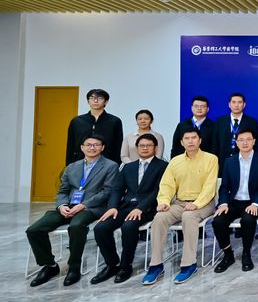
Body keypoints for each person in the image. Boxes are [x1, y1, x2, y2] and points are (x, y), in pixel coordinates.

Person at [27, 133, 118, 287]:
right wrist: (61, 205)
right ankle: (50, 265)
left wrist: (83, 205)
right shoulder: (71, 167)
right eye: (88, 144)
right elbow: (62, 191)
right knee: (34, 230)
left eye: (96, 144)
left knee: (76, 226)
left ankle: (74, 267)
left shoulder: (110, 166)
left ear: (102, 147)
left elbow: (107, 191)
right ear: (82, 147)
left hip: (91, 207)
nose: (92, 147)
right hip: (68, 206)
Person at [142, 128, 218, 285]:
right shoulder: (175, 161)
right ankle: (156, 265)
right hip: (180, 202)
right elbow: (167, 185)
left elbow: (210, 187)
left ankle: (189, 264)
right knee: (160, 218)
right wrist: (163, 202)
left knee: (189, 216)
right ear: (182, 142)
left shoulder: (211, 159)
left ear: (200, 140)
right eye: (187, 138)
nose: (190, 141)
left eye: (194, 138)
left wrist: (196, 204)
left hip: (204, 203)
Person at [91, 133, 168, 284]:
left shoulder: (163, 166)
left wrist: (141, 207)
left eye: (149, 145)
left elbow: (158, 191)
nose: (145, 148)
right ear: (136, 148)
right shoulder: (128, 167)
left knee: (129, 226)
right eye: (141, 146)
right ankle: (112, 264)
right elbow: (117, 189)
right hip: (126, 207)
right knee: (101, 228)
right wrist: (112, 207)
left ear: (155, 148)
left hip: (148, 208)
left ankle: (125, 267)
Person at [212, 130, 258, 274]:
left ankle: (246, 254)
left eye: (248, 139)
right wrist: (223, 203)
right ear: (236, 143)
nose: (245, 143)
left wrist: (256, 204)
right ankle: (228, 254)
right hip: (234, 202)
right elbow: (224, 187)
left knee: (248, 220)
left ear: (254, 141)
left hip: (253, 202)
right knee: (218, 221)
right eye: (241, 140)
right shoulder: (229, 161)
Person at [66, 88, 123, 165]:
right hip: (80, 161)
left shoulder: (114, 121)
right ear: (88, 101)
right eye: (92, 98)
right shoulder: (77, 121)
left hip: (106, 162)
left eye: (100, 98)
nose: (95, 101)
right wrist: (69, 165)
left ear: (106, 101)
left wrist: (116, 165)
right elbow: (70, 145)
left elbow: (118, 145)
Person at [213, 92, 258, 168]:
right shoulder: (220, 121)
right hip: (223, 162)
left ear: (244, 105)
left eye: (239, 102)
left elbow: (255, 144)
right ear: (229, 104)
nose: (236, 105)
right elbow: (215, 143)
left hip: (244, 162)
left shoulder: (252, 122)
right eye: (233, 102)